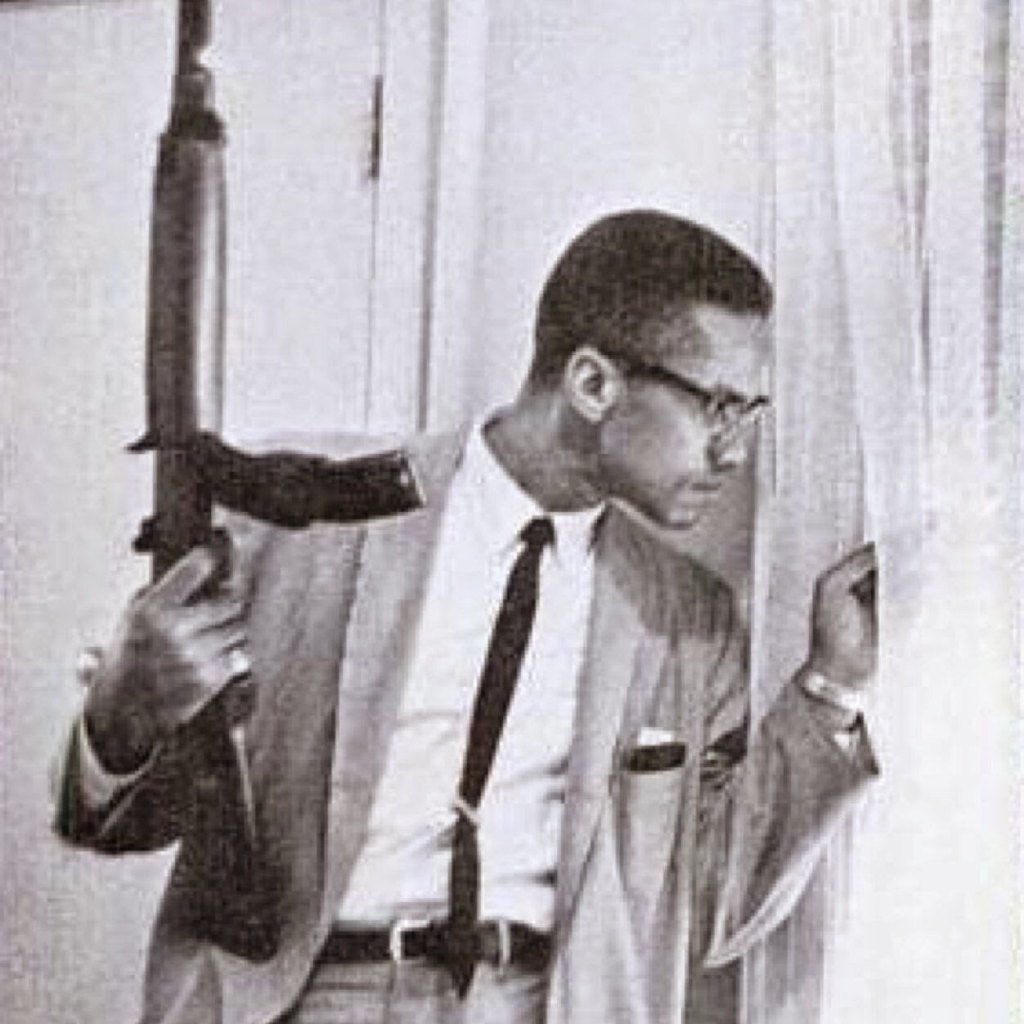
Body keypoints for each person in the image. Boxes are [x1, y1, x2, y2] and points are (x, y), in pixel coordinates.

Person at [54, 210, 878, 1024]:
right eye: (719, 407)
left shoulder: (690, 622)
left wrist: (832, 684)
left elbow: (715, 904)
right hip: (298, 996)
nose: (734, 452)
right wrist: (122, 710)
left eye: (751, 414)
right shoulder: (304, 514)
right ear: (593, 384)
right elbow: (115, 820)